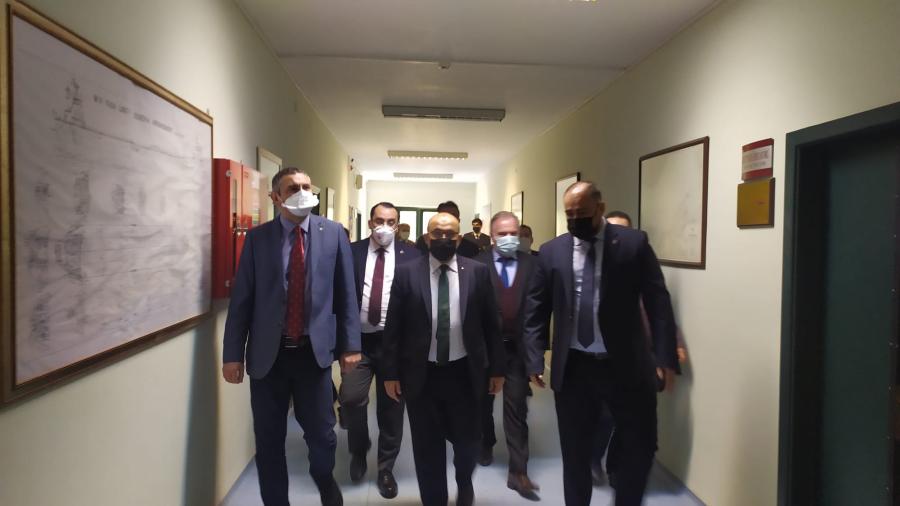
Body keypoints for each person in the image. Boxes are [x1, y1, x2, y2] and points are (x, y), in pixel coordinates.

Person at [522, 181, 678, 506]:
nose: (574, 219)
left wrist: (664, 356)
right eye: (569, 214)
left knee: (639, 448)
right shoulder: (552, 251)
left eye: (581, 213)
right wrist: (534, 358)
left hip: (627, 366)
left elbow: (657, 300)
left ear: (600, 208)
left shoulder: (633, 243)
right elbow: (536, 309)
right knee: (575, 455)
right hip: (575, 369)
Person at [222, 167, 362, 506]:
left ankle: (323, 477)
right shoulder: (258, 239)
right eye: (292, 188)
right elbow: (242, 300)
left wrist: (350, 346)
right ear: (275, 197)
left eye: (305, 186)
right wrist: (232, 354)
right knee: (269, 440)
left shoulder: (333, 234)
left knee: (323, 436)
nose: (302, 192)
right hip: (268, 357)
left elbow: (346, 294)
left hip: (313, 354)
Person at [382, 212, 506, 506]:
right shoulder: (407, 273)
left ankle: (464, 481)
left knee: (468, 442)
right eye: (437, 233)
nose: (443, 238)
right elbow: (394, 328)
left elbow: (492, 324)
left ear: (459, 238)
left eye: (450, 234)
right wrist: (390, 373)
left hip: (465, 373)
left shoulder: (477, 272)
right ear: (427, 238)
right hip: (421, 375)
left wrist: (497, 369)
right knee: (427, 448)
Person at [339, 202, 420, 498]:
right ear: (370, 222)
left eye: (391, 221)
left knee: (392, 408)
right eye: (379, 220)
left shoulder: (412, 256)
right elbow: (340, 296)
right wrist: (343, 343)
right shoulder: (351, 252)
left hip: (394, 345)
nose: (384, 226)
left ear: (397, 224)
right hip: (358, 343)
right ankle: (359, 449)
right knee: (350, 398)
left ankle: (386, 467)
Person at [474, 211, 541, 500]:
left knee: (517, 409)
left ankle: (519, 471)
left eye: (514, 233)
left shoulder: (533, 265)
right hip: (485, 349)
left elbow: (538, 313)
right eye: (502, 234)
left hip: (516, 350)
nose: (509, 238)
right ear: (492, 237)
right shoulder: (477, 265)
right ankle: (485, 441)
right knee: (482, 403)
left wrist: (536, 358)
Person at [415, 201, 480, 258]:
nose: (448, 218)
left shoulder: (471, 248)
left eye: (453, 215)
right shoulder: (424, 242)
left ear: (458, 220)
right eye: (444, 215)